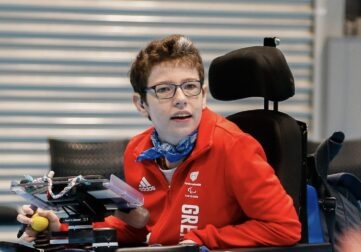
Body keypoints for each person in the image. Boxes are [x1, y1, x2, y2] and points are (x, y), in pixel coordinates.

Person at [17, 34, 301, 249]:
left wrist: (200, 240)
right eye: (164, 89)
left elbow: (284, 228)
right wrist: (61, 230)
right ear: (141, 104)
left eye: (190, 86)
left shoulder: (234, 146)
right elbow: (139, 227)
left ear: (203, 95)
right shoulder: (138, 151)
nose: (180, 99)